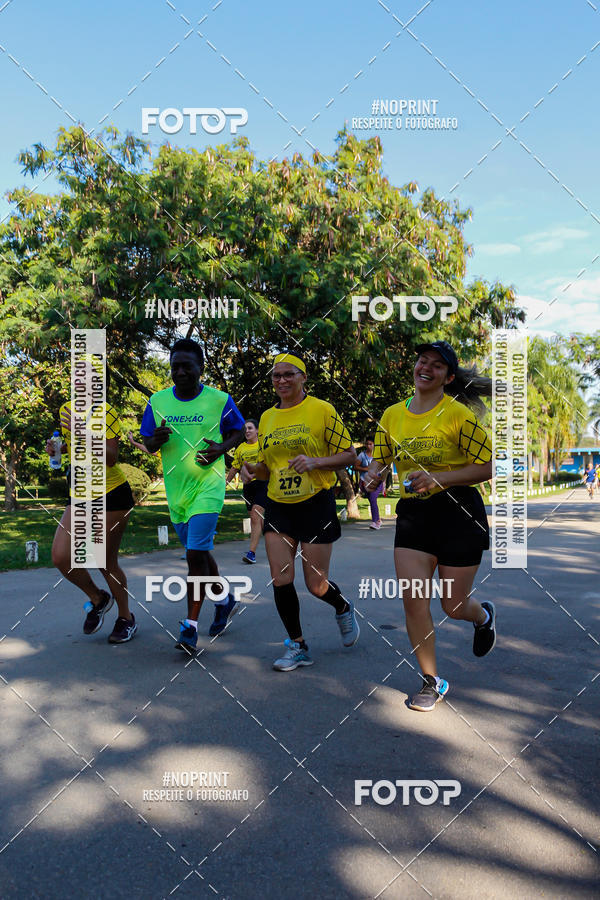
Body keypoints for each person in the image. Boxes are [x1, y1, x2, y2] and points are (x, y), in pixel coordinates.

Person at [364, 340, 495, 712]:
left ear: (448, 377)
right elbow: (380, 461)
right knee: (413, 601)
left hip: (459, 515)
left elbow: (489, 466)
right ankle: (431, 680)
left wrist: (442, 478)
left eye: (437, 365)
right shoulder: (391, 415)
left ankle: (482, 615)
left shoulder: (457, 415)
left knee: (453, 605)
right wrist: (372, 477)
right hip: (414, 517)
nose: (427, 367)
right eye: (423, 360)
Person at [245, 351, 359, 672]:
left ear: (303, 377)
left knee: (316, 585)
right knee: (280, 578)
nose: (281, 380)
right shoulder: (267, 417)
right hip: (278, 504)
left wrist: (315, 462)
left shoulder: (322, 410)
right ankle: (297, 645)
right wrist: (255, 469)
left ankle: (342, 606)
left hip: (316, 503)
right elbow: (269, 466)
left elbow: (349, 455)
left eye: (288, 374)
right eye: (275, 376)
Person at [140, 338, 245, 651]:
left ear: (201, 367)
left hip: (209, 487)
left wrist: (222, 449)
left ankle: (190, 626)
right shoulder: (157, 401)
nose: (181, 372)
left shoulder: (219, 400)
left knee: (193, 555)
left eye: (187, 366)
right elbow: (148, 442)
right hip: (177, 492)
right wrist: (155, 439)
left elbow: (239, 430)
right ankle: (225, 600)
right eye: (175, 366)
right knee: (199, 552)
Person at [47, 362, 137, 644]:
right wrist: (59, 448)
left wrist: (81, 430)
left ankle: (126, 617)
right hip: (80, 493)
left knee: (103, 560)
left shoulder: (105, 412)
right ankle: (98, 598)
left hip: (111, 495)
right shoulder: (65, 408)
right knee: (61, 556)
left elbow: (110, 456)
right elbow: (74, 445)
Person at [226, 419, 267, 564]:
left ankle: (252, 553)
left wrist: (255, 474)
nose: (247, 431)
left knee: (256, 516)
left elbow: (269, 464)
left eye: (250, 428)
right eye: (245, 429)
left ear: (257, 430)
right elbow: (235, 467)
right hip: (248, 487)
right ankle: (271, 537)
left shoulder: (263, 444)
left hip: (263, 484)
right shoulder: (241, 448)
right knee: (255, 518)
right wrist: (225, 482)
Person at [356, 435, 383, 529]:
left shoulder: (378, 454)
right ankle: (378, 520)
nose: (368, 446)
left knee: (372, 499)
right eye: (367, 444)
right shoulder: (362, 455)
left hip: (376, 481)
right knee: (371, 500)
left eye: (370, 444)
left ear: (374, 445)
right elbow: (356, 466)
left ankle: (375, 522)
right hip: (365, 481)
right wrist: (366, 469)